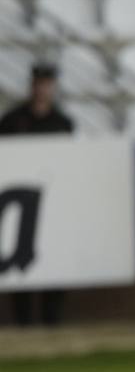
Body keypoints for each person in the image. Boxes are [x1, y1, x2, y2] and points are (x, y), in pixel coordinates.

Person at [0, 63, 74, 327]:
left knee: (54, 258)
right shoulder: (11, 120)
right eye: (39, 83)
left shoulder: (62, 122)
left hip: (52, 204)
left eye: (47, 83)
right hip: (20, 202)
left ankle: (51, 322)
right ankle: (24, 323)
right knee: (22, 261)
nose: (42, 88)